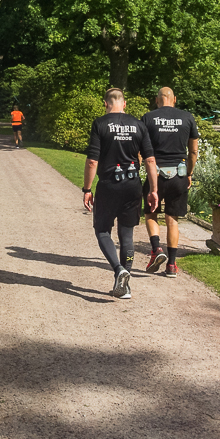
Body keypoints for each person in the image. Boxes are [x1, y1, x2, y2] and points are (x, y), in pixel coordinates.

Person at [83, 88, 159, 299]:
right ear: (124, 104)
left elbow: (92, 161)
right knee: (127, 235)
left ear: (105, 104)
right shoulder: (139, 124)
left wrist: (87, 189)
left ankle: (119, 270)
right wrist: (153, 190)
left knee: (103, 231)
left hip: (109, 186)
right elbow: (150, 160)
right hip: (133, 185)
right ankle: (125, 287)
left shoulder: (100, 124)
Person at [141, 87, 200, 277]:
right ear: (174, 99)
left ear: (157, 100)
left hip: (155, 175)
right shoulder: (187, 117)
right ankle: (172, 266)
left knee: (151, 214)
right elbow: (193, 151)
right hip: (179, 174)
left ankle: (157, 249)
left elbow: (140, 149)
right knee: (172, 219)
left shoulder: (148, 118)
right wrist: (189, 173)